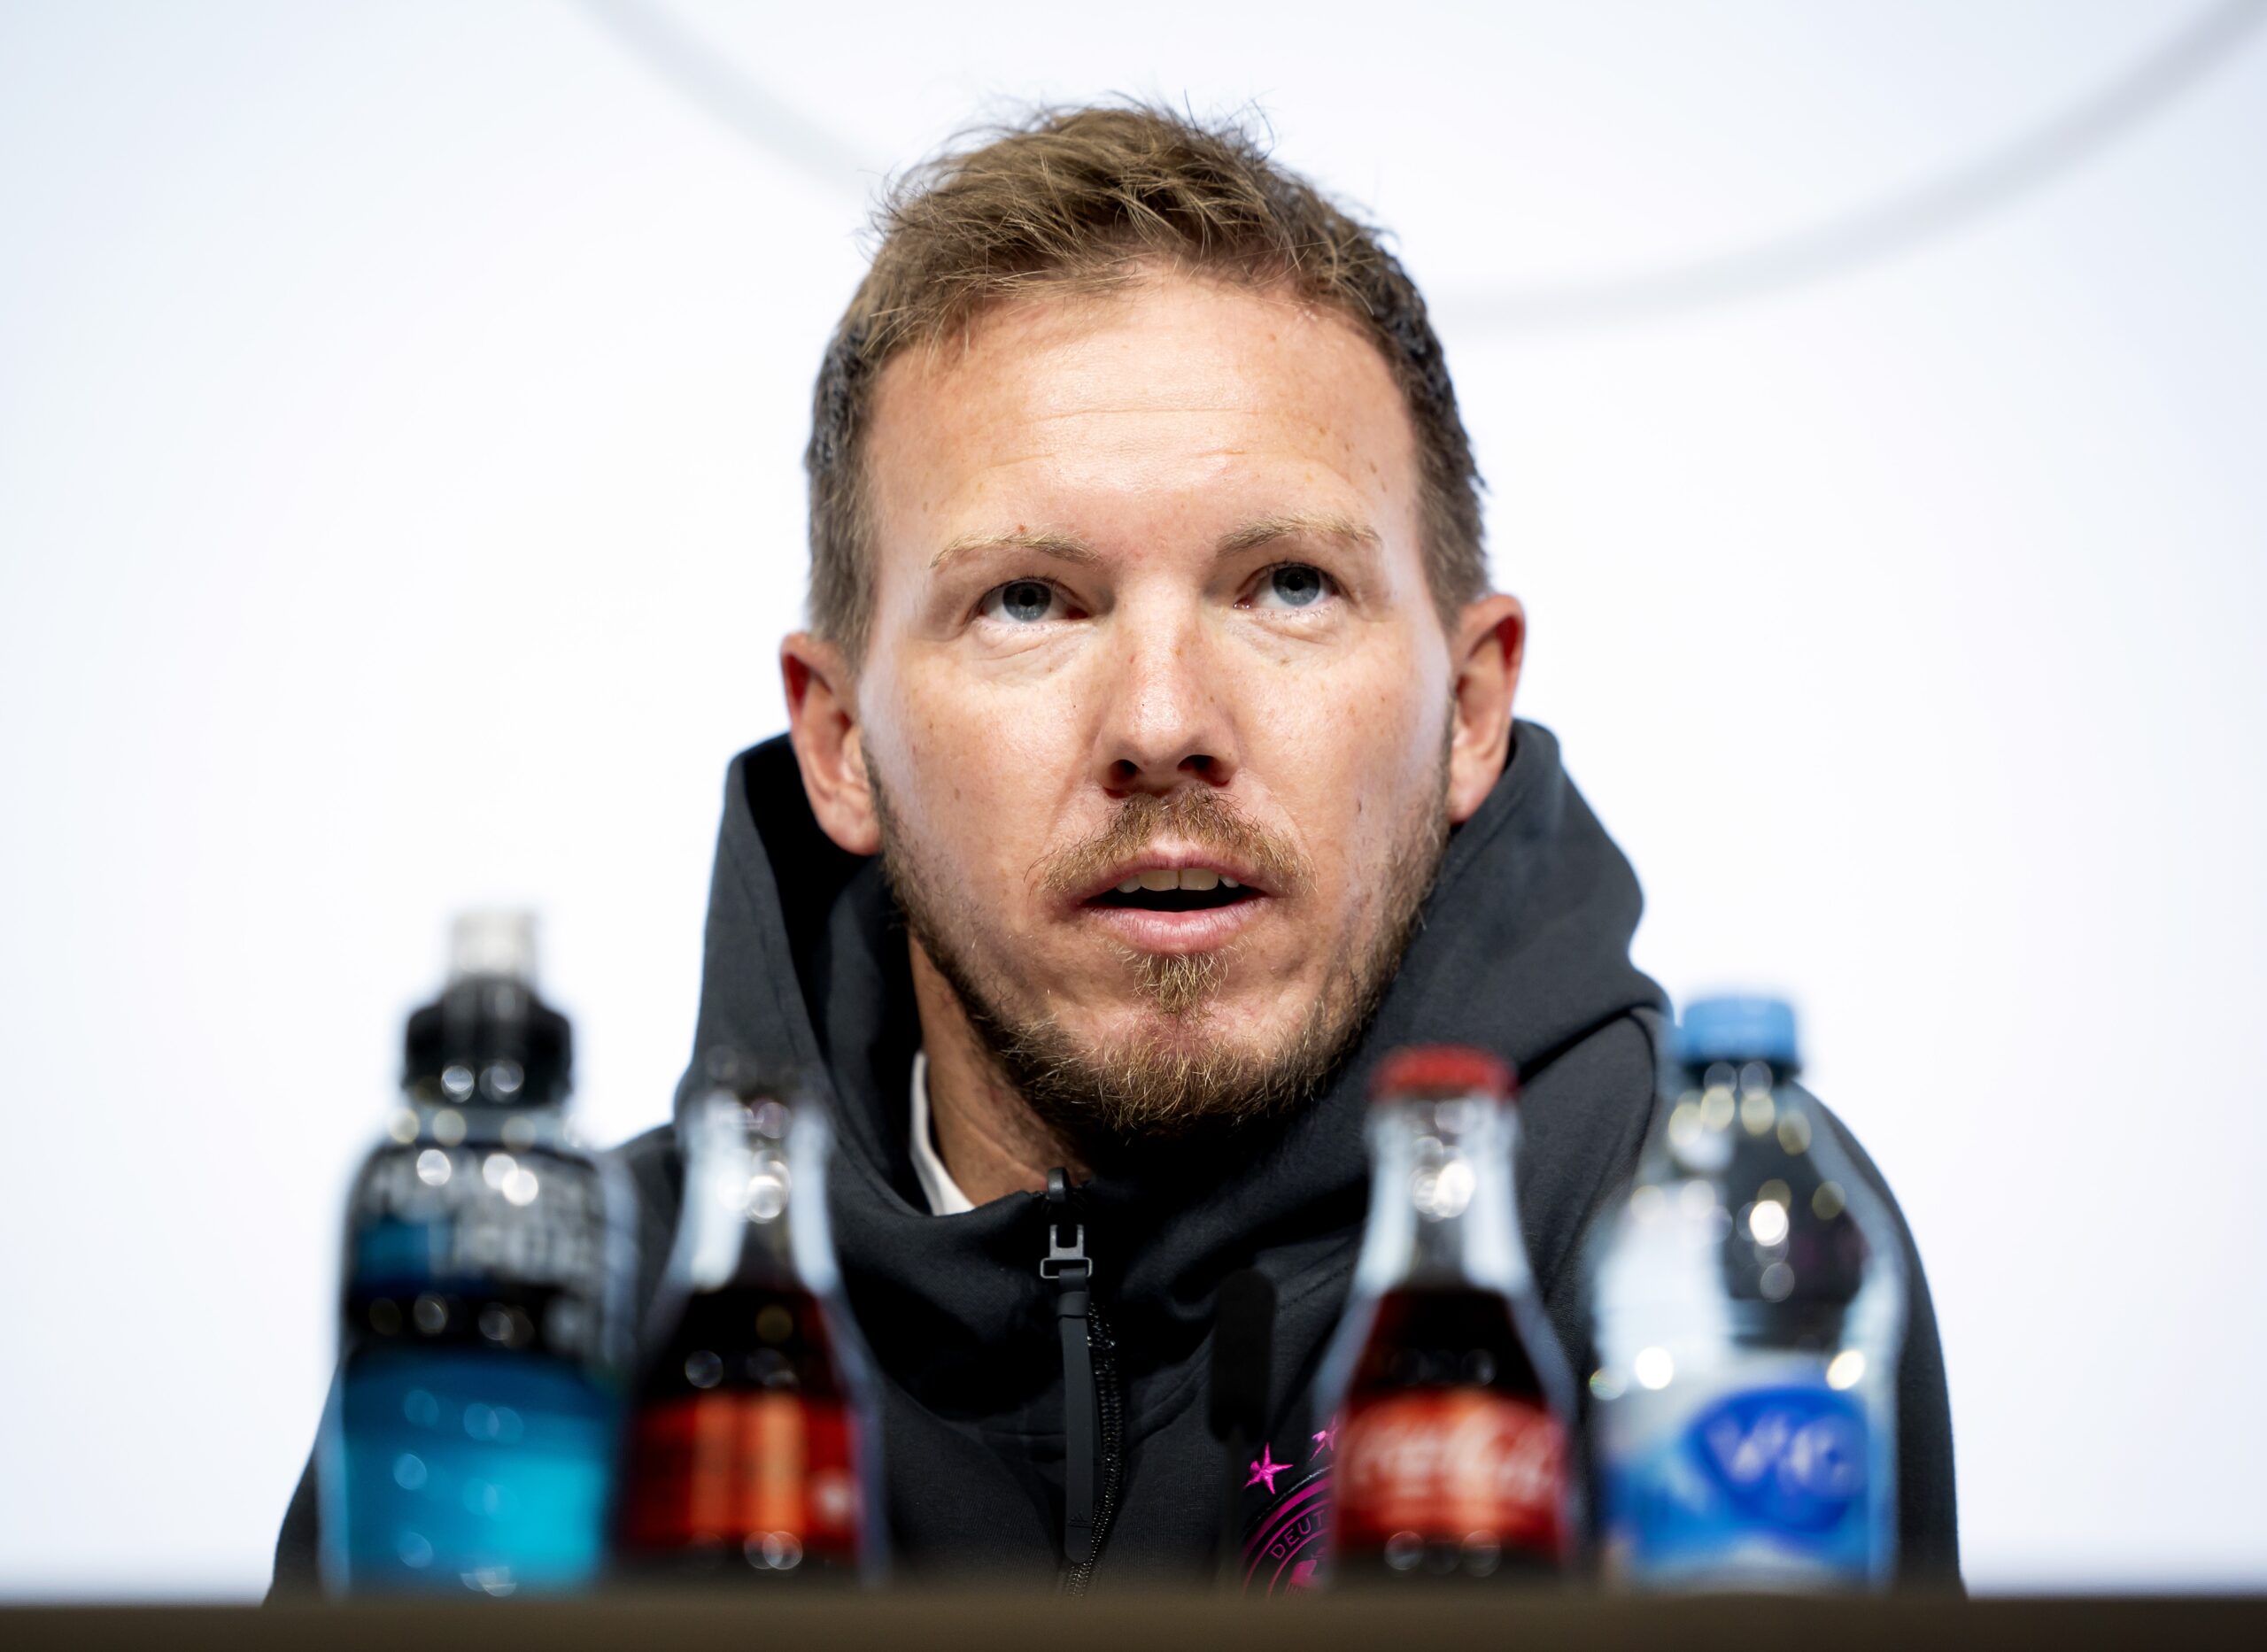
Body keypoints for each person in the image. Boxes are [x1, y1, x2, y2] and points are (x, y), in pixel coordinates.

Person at [275, 103, 1956, 1592]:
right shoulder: (558, 1324)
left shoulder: (1688, 1236)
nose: (1162, 720)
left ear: (1469, 707)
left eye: (1288, 584)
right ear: (840, 743)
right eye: (1029, 600)